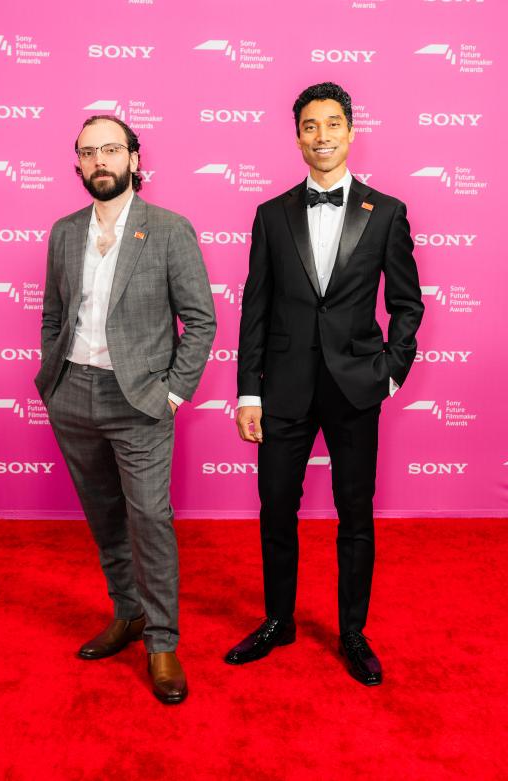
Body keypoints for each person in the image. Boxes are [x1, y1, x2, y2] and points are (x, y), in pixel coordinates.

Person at [225, 82, 424, 685]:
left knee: (354, 514)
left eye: (332, 124)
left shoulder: (386, 212)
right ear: (297, 137)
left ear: (351, 132)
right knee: (276, 509)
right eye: (310, 126)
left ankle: (353, 632)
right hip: (282, 389)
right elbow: (253, 308)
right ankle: (278, 620)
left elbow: (408, 305)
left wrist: (389, 374)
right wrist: (248, 392)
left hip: (355, 388)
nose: (322, 136)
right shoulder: (270, 214)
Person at [35, 115, 216, 704]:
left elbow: (201, 321)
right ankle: (128, 613)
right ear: (78, 165)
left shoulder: (167, 230)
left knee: (150, 522)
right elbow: (53, 316)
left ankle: (162, 643)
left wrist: (171, 393)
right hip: (73, 395)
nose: (100, 161)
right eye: (88, 153)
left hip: (139, 400)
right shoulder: (64, 232)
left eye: (111, 149)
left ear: (135, 159)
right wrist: (54, 382)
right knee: (105, 518)